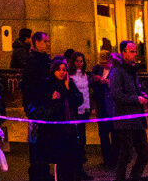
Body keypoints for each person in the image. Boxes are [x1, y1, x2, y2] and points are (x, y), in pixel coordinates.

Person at [34, 58, 84, 181]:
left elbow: (78, 101)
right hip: (55, 128)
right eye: (59, 70)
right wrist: (51, 99)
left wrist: (68, 89)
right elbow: (41, 102)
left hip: (70, 127)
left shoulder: (69, 83)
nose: (62, 72)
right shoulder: (48, 84)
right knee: (58, 158)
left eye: (64, 70)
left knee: (70, 159)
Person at [108, 41, 148, 181]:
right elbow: (116, 95)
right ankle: (120, 179)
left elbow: (135, 89)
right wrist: (136, 99)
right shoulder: (117, 71)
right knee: (126, 154)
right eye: (131, 51)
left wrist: (142, 94)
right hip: (125, 119)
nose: (134, 54)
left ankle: (134, 177)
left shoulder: (132, 71)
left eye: (135, 51)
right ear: (123, 53)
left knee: (144, 153)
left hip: (137, 119)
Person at [22, 31, 54, 181]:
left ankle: (43, 170)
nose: (48, 44)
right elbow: (33, 86)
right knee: (36, 141)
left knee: (45, 140)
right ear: (37, 42)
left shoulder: (45, 59)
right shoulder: (33, 61)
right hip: (36, 106)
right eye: (45, 41)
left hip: (43, 106)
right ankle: (37, 172)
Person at [68, 52, 93, 180]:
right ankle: (76, 169)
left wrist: (88, 108)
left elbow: (86, 93)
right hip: (75, 111)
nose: (79, 63)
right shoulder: (70, 76)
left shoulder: (84, 75)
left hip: (84, 110)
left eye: (81, 61)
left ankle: (80, 168)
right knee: (76, 140)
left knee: (82, 139)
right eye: (77, 61)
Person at [90, 52, 117, 167]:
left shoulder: (116, 70)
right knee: (103, 134)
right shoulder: (96, 69)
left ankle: (115, 160)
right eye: (102, 63)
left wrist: (107, 82)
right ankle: (107, 160)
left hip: (112, 105)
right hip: (101, 105)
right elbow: (89, 83)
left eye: (106, 63)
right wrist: (95, 79)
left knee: (115, 134)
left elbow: (118, 86)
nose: (104, 65)